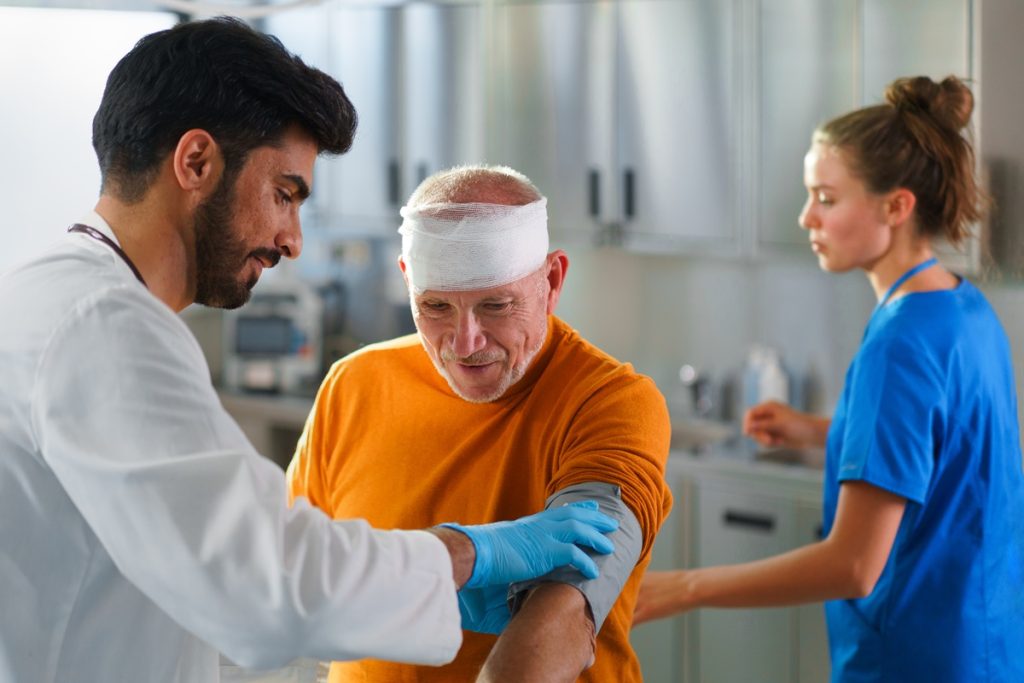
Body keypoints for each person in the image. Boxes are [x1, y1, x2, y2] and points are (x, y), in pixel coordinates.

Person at [0, 18, 622, 683]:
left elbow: (182, 593)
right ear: (197, 162)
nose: (292, 238)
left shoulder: (46, 294)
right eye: (283, 193)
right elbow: (260, 583)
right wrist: (465, 553)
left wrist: (409, 594)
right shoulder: (108, 326)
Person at [633, 75, 1024, 682]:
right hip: (987, 647)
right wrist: (821, 430)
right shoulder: (963, 309)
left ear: (896, 206)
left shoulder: (899, 343)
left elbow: (854, 565)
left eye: (827, 198)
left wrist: (680, 587)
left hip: (911, 662)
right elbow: (943, 448)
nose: (806, 216)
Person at [287, 164, 673, 682]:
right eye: (435, 307)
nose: (464, 343)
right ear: (408, 282)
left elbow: (568, 608)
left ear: (552, 281)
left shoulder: (611, 402)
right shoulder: (354, 383)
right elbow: (294, 573)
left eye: (495, 305)